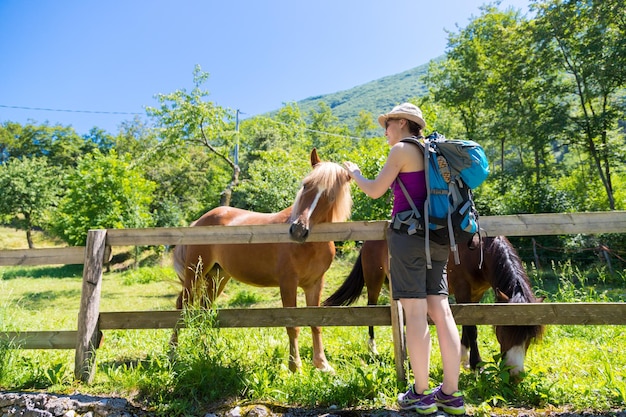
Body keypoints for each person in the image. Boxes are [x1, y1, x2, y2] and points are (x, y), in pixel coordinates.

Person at [343, 103, 465, 415]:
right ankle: (451, 393)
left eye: (387, 125)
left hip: (409, 236)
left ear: (401, 123)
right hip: (439, 235)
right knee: (442, 310)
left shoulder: (401, 150)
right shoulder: (435, 150)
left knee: (414, 311)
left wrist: (355, 172)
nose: (385, 131)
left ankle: (421, 394)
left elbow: (374, 190)